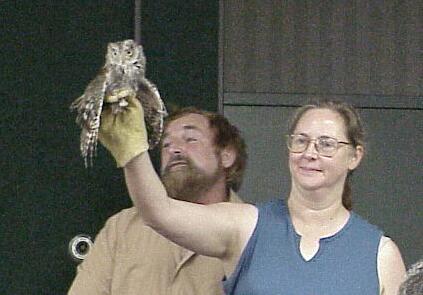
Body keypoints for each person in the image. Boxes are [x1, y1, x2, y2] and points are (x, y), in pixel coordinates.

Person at [98, 95, 406, 294]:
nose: (310, 153)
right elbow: (158, 212)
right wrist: (132, 151)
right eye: (301, 141)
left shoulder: (381, 254)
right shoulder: (247, 226)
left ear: (354, 156)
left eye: (326, 144)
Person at [68, 106, 248, 295]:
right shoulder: (122, 227)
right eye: (166, 145)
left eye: (190, 139)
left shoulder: (252, 232)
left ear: (227, 156)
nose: (175, 149)